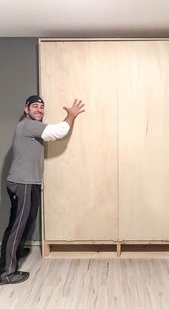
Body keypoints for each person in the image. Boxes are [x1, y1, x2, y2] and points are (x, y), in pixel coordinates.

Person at [0, 95, 85, 285]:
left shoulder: (30, 127)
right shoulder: (28, 125)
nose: (39, 109)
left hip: (29, 182)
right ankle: (6, 272)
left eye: (42, 107)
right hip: (22, 183)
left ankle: (13, 252)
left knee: (25, 220)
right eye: (35, 106)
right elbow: (58, 131)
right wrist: (71, 115)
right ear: (26, 109)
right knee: (17, 225)